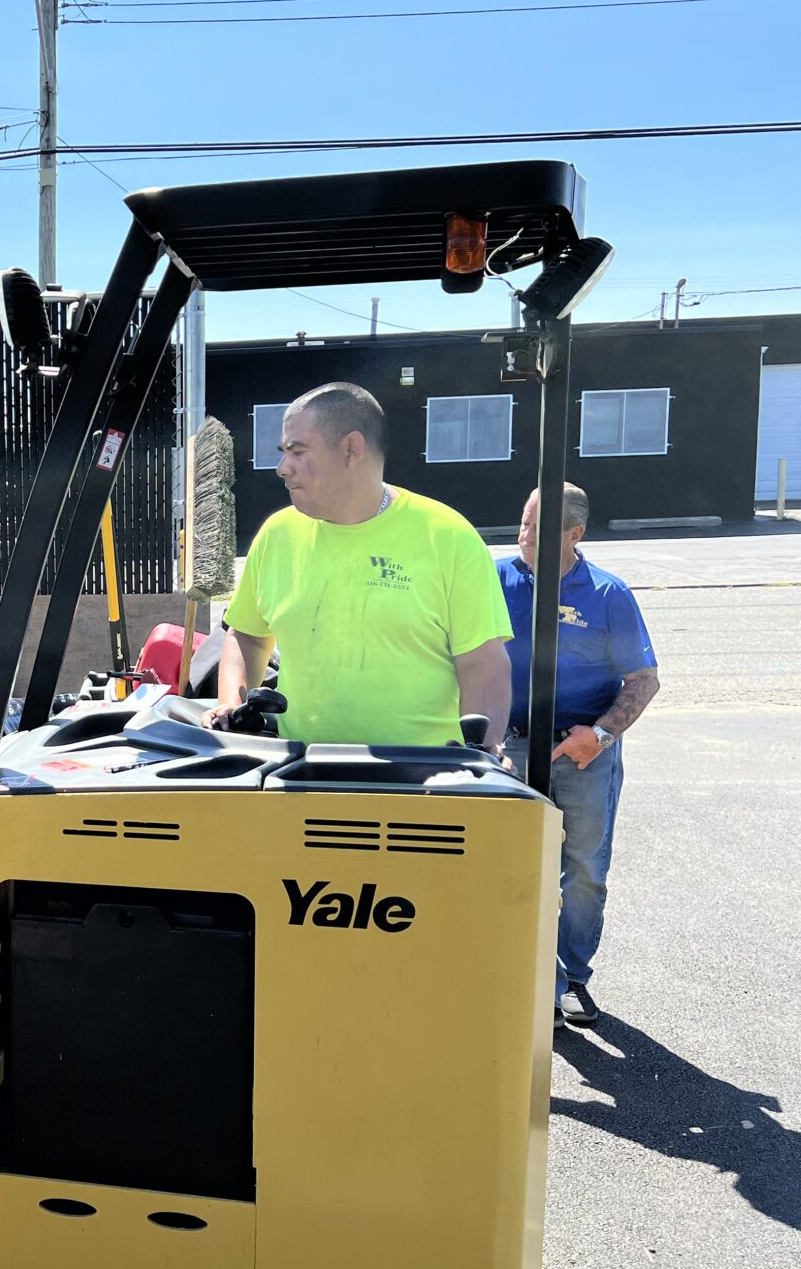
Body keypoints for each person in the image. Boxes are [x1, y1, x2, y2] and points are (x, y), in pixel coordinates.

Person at [204, 382, 513, 750]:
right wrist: (231, 703)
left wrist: (482, 755)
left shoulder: (447, 536)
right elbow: (248, 636)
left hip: (422, 782)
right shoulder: (277, 534)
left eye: (298, 451)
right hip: (303, 775)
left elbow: (483, 663)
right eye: (284, 452)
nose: (283, 468)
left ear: (351, 449)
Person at [499, 484, 660, 1030]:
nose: (523, 535)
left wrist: (601, 735)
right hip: (506, 750)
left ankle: (570, 979)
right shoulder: (494, 582)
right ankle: (514, 974)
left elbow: (643, 678)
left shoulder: (607, 594)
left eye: (537, 527)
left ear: (574, 535)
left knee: (584, 870)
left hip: (583, 752)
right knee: (505, 867)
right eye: (522, 521)